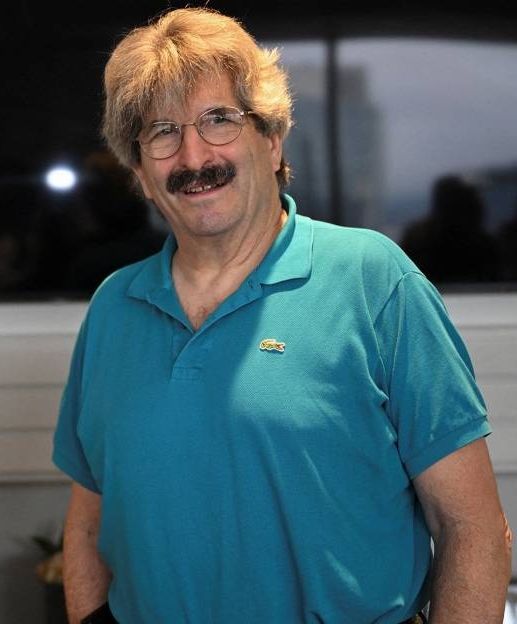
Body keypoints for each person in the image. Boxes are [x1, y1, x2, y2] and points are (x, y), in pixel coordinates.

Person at [52, 7, 513, 623]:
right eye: (162, 132)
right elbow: (89, 521)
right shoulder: (114, 306)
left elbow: (472, 529)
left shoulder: (373, 282)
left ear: (271, 140)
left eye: (219, 119)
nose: (193, 156)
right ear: (139, 170)